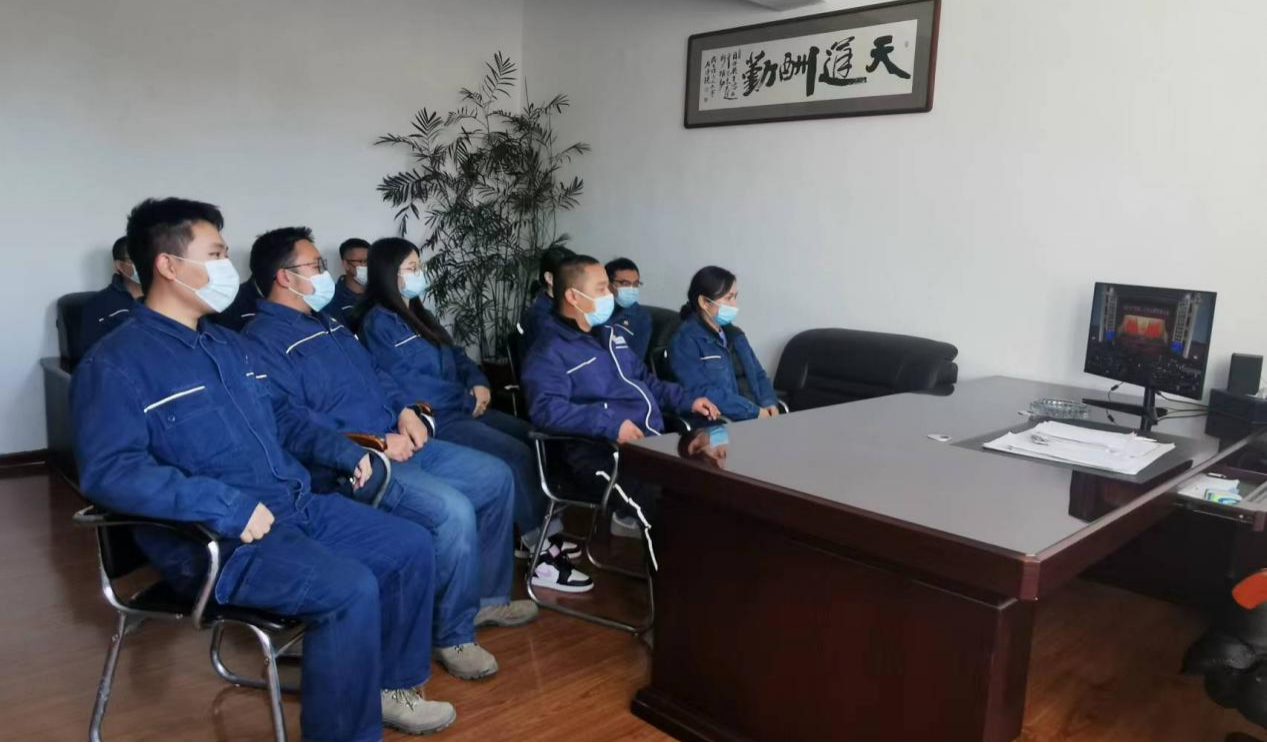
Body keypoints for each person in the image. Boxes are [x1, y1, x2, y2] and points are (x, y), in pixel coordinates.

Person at [72, 197, 455, 740]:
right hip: (217, 542)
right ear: (168, 265)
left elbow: (286, 420)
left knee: (410, 545)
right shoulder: (116, 363)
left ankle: (388, 690)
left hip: (292, 507)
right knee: (349, 588)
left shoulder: (228, 346)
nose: (227, 268)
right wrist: (225, 506)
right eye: (215, 254)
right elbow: (112, 471)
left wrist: (346, 452)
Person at [242, 226, 536, 681]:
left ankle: (484, 601)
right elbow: (291, 424)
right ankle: (453, 634)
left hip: (398, 439)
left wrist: (404, 411)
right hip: (354, 463)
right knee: (451, 510)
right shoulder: (261, 342)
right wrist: (377, 441)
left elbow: (377, 374)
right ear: (284, 277)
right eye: (315, 266)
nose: (325, 274)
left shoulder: (328, 324)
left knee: (495, 477)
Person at [355, 238, 582, 590]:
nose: (420, 274)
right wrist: (465, 399)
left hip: (463, 407)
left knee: (532, 437)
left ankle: (536, 535)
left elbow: (458, 356)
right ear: (388, 273)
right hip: (439, 419)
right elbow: (410, 386)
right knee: (516, 455)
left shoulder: (419, 313)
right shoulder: (378, 324)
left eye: (419, 266)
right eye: (412, 268)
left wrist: (478, 382)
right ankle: (542, 556)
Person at [521, 254, 718, 565]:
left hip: (647, 443)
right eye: (601, 288)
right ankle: (680, 589)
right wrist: (611, 425)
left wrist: (687, 400)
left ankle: (709, 575)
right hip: (596, 454)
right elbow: (547, 410)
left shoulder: (610, 336)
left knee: (703, 487)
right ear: (573, 296)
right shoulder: (550, 350)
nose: (610, 295)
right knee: (662, 509)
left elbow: (645, 380)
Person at [669, 266, 780, 421]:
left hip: (757, 417)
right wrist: (754, 412)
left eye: (735, 297)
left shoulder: (736, 335)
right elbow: (701, 391)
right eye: (728, 298)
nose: (734, 305)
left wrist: (769, 403)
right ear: (704, 302)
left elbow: (758, 374)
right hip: (722, 423)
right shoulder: (685, 340)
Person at [77, 236, 143, 357]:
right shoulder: (98, 305)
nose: (145, 264)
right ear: (119, 266)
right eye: (136, 258)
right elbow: (91, 356)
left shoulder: (164, 299)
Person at [518, 245, 575, 353]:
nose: (575, 282)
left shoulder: (562, 306)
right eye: (568, 276)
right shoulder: (542, 317)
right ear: (549, 278)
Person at [604, 257, 653, 361]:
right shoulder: (596, 310)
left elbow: (635, 360)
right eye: (625, 283)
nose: (631, 289)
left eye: (635, 284)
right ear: (608, 284)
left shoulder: (641, 317)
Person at [328, 237, 370, 326]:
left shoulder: (379, 293)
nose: (368, 266)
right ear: (346, 264)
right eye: (362, 261)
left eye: (370, 261)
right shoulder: (333, 299)